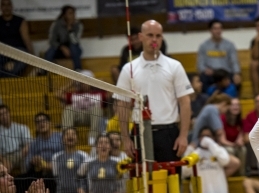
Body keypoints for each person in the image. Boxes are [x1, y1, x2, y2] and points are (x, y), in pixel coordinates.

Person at [115, 20, 193, 161]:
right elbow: (122, 105)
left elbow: (185, 102)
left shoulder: (174, 66)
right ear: (141, 37)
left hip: (169, 134)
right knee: (142, 180)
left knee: (171, 180)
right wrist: (126, 139)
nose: (154, 39)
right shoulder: (129, 69)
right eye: (150, 35)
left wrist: (183, 136)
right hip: (140, 132)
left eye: (158, 35)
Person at [16, 113, 62, 193]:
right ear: (36, 126)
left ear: (50, 123)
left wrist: (50, 165)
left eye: (44, 121)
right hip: (39, 172)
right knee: (20, 179)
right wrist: (32, 161)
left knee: (50, 179)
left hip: (56, 171)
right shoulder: (34, 142)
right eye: (38, 122)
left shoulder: (60, 138)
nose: (41, 124)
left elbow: (65, 157)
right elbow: (27, 162)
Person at [55, 69, 108, 146]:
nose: (84, 83)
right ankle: (66, 136)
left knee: (97, 109)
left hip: (93, 117)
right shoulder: (74, 94)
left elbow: (112, 94)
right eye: (82, 81)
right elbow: (57, 94)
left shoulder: (99, 94)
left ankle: (93, 138)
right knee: (68, 108)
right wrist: (71, 84)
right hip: (78, 117)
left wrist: (101, 83)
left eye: (86, 81)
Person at [197, 19, 241, 93]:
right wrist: (205, 70)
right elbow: (200, 64)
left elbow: (234, 61)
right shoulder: (203, 46)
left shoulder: (229, 45)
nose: (218, 31)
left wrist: (237, 73)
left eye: (220, 28)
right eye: (215, 29)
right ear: (210, 30)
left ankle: (232, 101)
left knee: (236, 79)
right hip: (211, 74)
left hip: (225, 73)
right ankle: (207, 101)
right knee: (203, 79)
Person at [0, 0, 34, 78]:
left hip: (18, 51)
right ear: (1, 7)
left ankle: (7, 77)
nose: (6, 7)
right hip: (2, 52)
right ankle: (10, 77)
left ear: (12, 7)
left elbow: (27, 39)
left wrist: (32, 56)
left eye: (8, 5)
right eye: (4, 5)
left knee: (25, 58)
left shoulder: (20, 21)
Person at [44, 5, 83, 70]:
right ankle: (44, 70)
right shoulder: (56, 24)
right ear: (64, 15)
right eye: (70, 13)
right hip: (59, 48)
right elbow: (51, 41)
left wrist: (70, 30)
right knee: (51, 50)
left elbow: (76, 41)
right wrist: (62, 47)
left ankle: (78, 70)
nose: (73, 15)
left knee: (74, 47)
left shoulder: (78, 25)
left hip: (73, 49)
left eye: (73, 13)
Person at [0, 104, 30, 174]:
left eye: (5, 113)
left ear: (10, 113)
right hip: (4, 156)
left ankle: (25, 182)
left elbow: (28, 143)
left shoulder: (22, 128)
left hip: (20, 154)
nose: (4, 116)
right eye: (1, 114)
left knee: (27, 159)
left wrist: (24, 152)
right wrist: (4, 160)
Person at [221, 97, 246, 175]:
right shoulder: (222, 119)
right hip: (223, 145)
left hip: (234, 145)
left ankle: (241, 174)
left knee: (243, 149)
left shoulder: (241, 121)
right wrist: (234, 145)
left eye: (237, 105)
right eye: (233, 105)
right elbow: (222, 140)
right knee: (230, 150)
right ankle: (231, 172)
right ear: (228, 107)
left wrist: (240, 141)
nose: (236, 107)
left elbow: (241, 136)